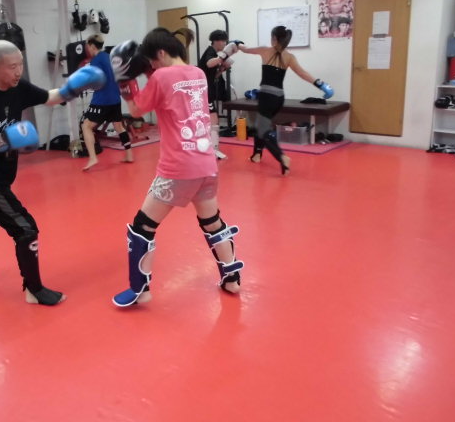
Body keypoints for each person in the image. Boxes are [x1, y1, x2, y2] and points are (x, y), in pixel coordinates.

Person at [0, 40, 105, 305]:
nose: (18, 72)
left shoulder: (17, 86)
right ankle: (33, 290)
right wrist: (5, 140)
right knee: (25, 229)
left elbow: (49, 97)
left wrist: (73, 87)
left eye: (20, 65)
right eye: (11, 67)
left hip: (1, 173)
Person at [109, 28, 244, 308]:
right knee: (212, 223)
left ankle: (140, 290)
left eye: (152, 61)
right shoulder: (198, 73)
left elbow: (136, 110)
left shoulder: (161, 77)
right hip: (206, 164)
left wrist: (124, 82)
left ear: (160, 53)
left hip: (178, 168)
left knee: (142, 226)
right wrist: (149, 72)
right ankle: (232, 279)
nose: (152, 67)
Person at [237, 26, 334, 175]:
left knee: (262, 129)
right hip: (279, 99)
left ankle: (282, 157)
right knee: (262, 124)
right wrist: (321, 84)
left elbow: (246, 49)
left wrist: (237, 44)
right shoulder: (289, 57)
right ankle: (257, 154)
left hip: (267, 97)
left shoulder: (265, 50)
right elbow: (303, 73)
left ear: (274, 39)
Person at [80, 34, 133, 171]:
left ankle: (93, 158)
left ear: (92, 46)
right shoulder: (110, 57)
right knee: (119, 126)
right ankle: (129, 155)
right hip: (115, 98)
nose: (87, 49)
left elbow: (96, 82)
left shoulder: (96, 60)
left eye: (88, 46)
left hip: (102, 100)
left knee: (86, 126)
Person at [197, 29, 232, 159]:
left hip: (207, 90)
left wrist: (222, 69)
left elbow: (213, 75)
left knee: (212, 119)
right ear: (216, 41)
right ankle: (214, 149)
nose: (224, 44)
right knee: (213, 119)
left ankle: (213, 148)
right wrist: (222, 57)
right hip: (203, 91)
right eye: (223, 41)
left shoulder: (214, 53)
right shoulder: (210, 52)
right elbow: (208, 63)